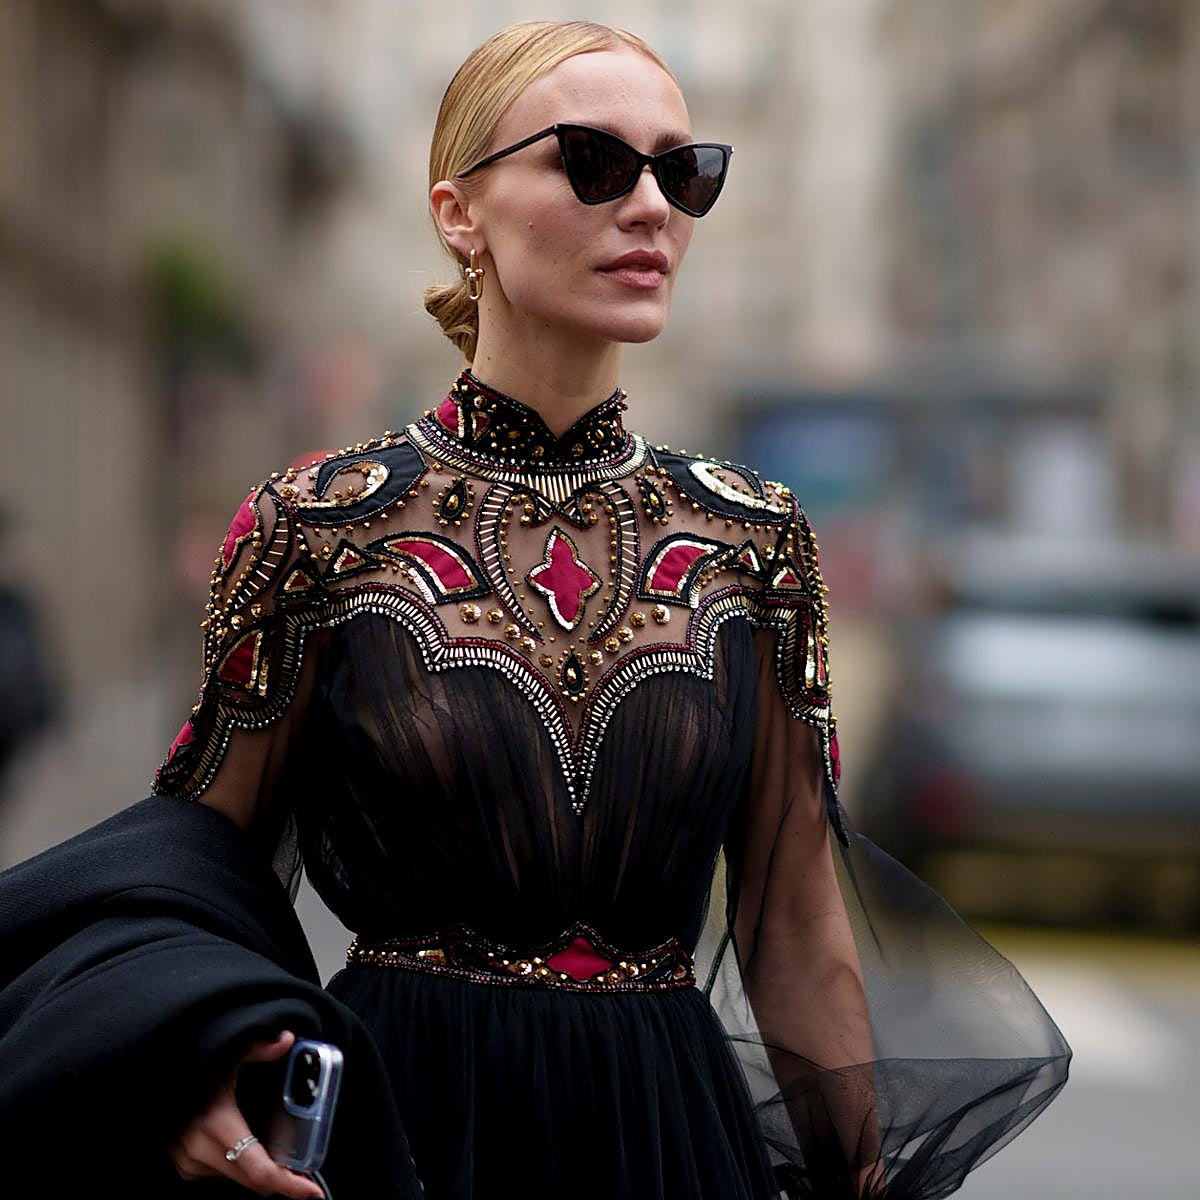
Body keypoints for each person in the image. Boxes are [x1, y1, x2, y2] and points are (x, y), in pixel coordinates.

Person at [0, 19, 1069, 1200]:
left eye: (684, 169)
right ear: (460, 213)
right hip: (400, 1129)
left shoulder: (753, 537)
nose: (653, 206)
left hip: (668, 1138)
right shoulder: (319, 523)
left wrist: (859, 1184)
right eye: (595, 163)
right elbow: (192, 868)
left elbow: (797, 930)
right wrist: (192, 1062)